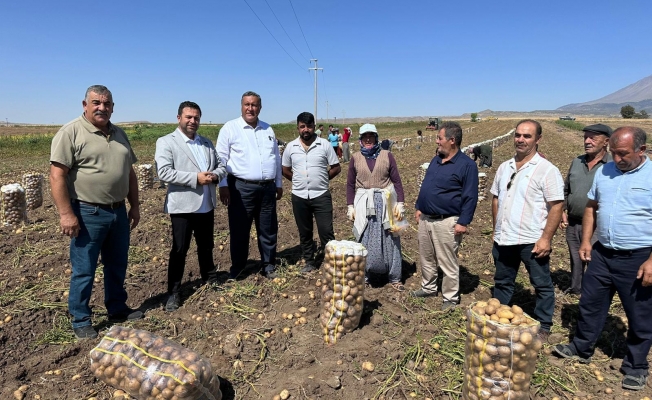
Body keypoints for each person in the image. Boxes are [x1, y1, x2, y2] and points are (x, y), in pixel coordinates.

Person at [553, 127, 652, 391]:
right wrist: (586, 241)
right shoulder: (605, 172)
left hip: (639, 257)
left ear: (641, 150)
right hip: (603, 252)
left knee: (640, 314)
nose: (617, 159)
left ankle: (636, 366)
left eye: (624, 154)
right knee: (590, 302)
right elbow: (591, 207)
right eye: (615, 153)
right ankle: (582, 346)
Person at [50, 85, 143, 339]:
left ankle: (117, 308)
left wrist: (134, 205)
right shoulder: (71, 132)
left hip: (117, 212)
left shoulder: (119, 133)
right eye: (96, 103)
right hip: (87, 212)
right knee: (85, 269)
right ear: (85, 105)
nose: (102, 107)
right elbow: (57, 175)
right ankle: (81, 318)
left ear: (112, 107)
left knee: (117, 264)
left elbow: (129, 173)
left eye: (107, 103)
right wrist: (66, 214)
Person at [490, 119, 564, 339]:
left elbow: (557, 206)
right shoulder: (505, 167)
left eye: (527, 136)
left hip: (531, 239)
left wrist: (546, 239)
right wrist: (497, 229)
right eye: (518, 135)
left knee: (541, 283)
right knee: (502, 280)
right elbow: (495, 199)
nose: (521, 139)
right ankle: (498, 318)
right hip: (504, 238)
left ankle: (544, 325)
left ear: (538, 139)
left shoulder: (546, 170)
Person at [155, 101, 227, 312]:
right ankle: (174, 292)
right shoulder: (167, 142)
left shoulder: (206, 143)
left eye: (196, 118)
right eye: (188, 117)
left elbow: (222, 166)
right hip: (183, 206)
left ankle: (210, 278)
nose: (192, 121)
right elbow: (164, 172)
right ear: (179, 118)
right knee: (179, 249)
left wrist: (215, 175)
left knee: (206, 245)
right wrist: (196, 178)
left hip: (206, 204)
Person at [412, 122, 479, 309]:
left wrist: (463, 221)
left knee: (447, 261)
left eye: (439, 138)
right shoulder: (436, 160)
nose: (436, 141)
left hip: (447, 221)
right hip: (426, 218)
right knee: (426, 257)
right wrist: (419, 206)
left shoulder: (467, 165)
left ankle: (450, 298)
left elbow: (470, 196)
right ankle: (428, 287)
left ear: (452, 140)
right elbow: (426, 185)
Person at [216, 91, 283, 280]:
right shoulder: (230, 128)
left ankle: (268, 265)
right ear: (241, 106)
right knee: (239, 229)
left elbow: (276, 159)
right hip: (240, 187)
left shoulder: (268, 130)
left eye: (254, 105)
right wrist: (222, 185)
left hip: (267, 188)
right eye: (247, 104)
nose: (250, 108)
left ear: (260, 107)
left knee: (268, 228)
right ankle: (238, 267)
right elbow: (220, 158)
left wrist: (278, 183)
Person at [346, 123, 406, 291]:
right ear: (360, 139)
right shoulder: (355, 158)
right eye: (365, 136)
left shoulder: (387, 155)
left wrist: (400, 203)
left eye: (371, 136)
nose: (368, 139)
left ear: (376, 138)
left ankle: (394, 277)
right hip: (364, 203)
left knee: (391, 238)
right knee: (364, 238)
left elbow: (397, 182)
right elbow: (350, 185)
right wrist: (350, 205)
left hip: (386, 202)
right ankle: (364, 276)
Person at [282, 112, 341, 273]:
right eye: (302, 126)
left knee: (326, 231)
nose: (306, 129)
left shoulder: (324, 145)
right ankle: (309, 261)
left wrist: (323, 179)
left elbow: (336, 167)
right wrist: (297, 180)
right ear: (298, 128)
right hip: (299, 196)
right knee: (305, 231)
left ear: (314, 126)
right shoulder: (291, 147)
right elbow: (285, 169)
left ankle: (332, 262)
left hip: (321, 195)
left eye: (309, 126)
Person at [560, 123, 612, 295]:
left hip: (598, 224)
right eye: (585, 137)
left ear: (606, 142)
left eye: (593, 138)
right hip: (574, 221)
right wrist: (562, 210)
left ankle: (593, 293)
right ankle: (576, 289)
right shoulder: (577, 162)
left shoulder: (612, 165)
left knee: (594, 259)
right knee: (575, 258)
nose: (587, 141)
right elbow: (566, 189)